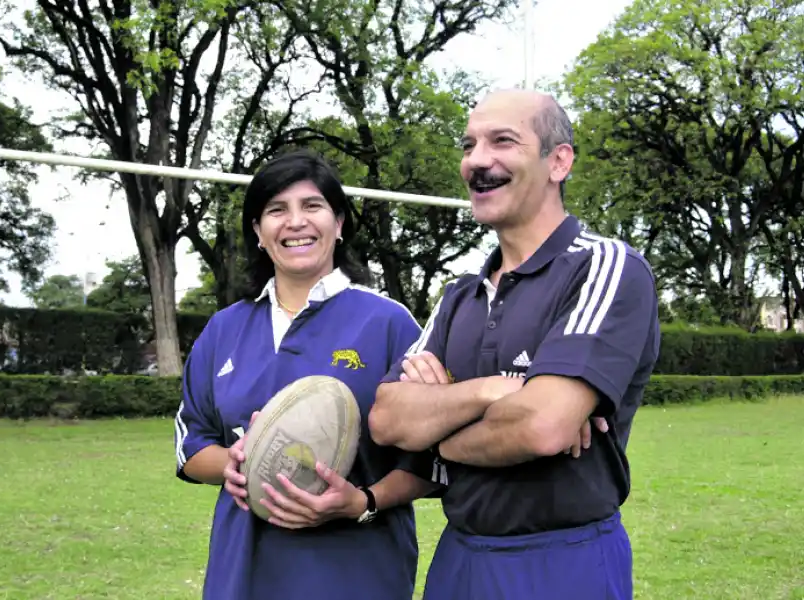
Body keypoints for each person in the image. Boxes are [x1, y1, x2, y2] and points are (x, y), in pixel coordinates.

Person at [369, 88, 661, 599]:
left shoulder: (606, 267)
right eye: (468, 145)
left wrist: (439, 436)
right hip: (460, 559)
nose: (478, 161)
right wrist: (492, 392)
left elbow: (541, 427)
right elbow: (387, 418)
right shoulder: (460, 295)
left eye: (502, 141)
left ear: (558, 161)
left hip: (564, 562)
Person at [173, 149, 437, 600]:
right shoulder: (225, 328)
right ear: (258, 231)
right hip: (242, 571)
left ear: (338, 224)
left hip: (356, 573)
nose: (295, 222)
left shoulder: (388, 323)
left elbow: (434, 460)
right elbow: (190, 444)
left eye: (312, 206)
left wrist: (361, 503)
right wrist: (235, 464)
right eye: (277, 210)